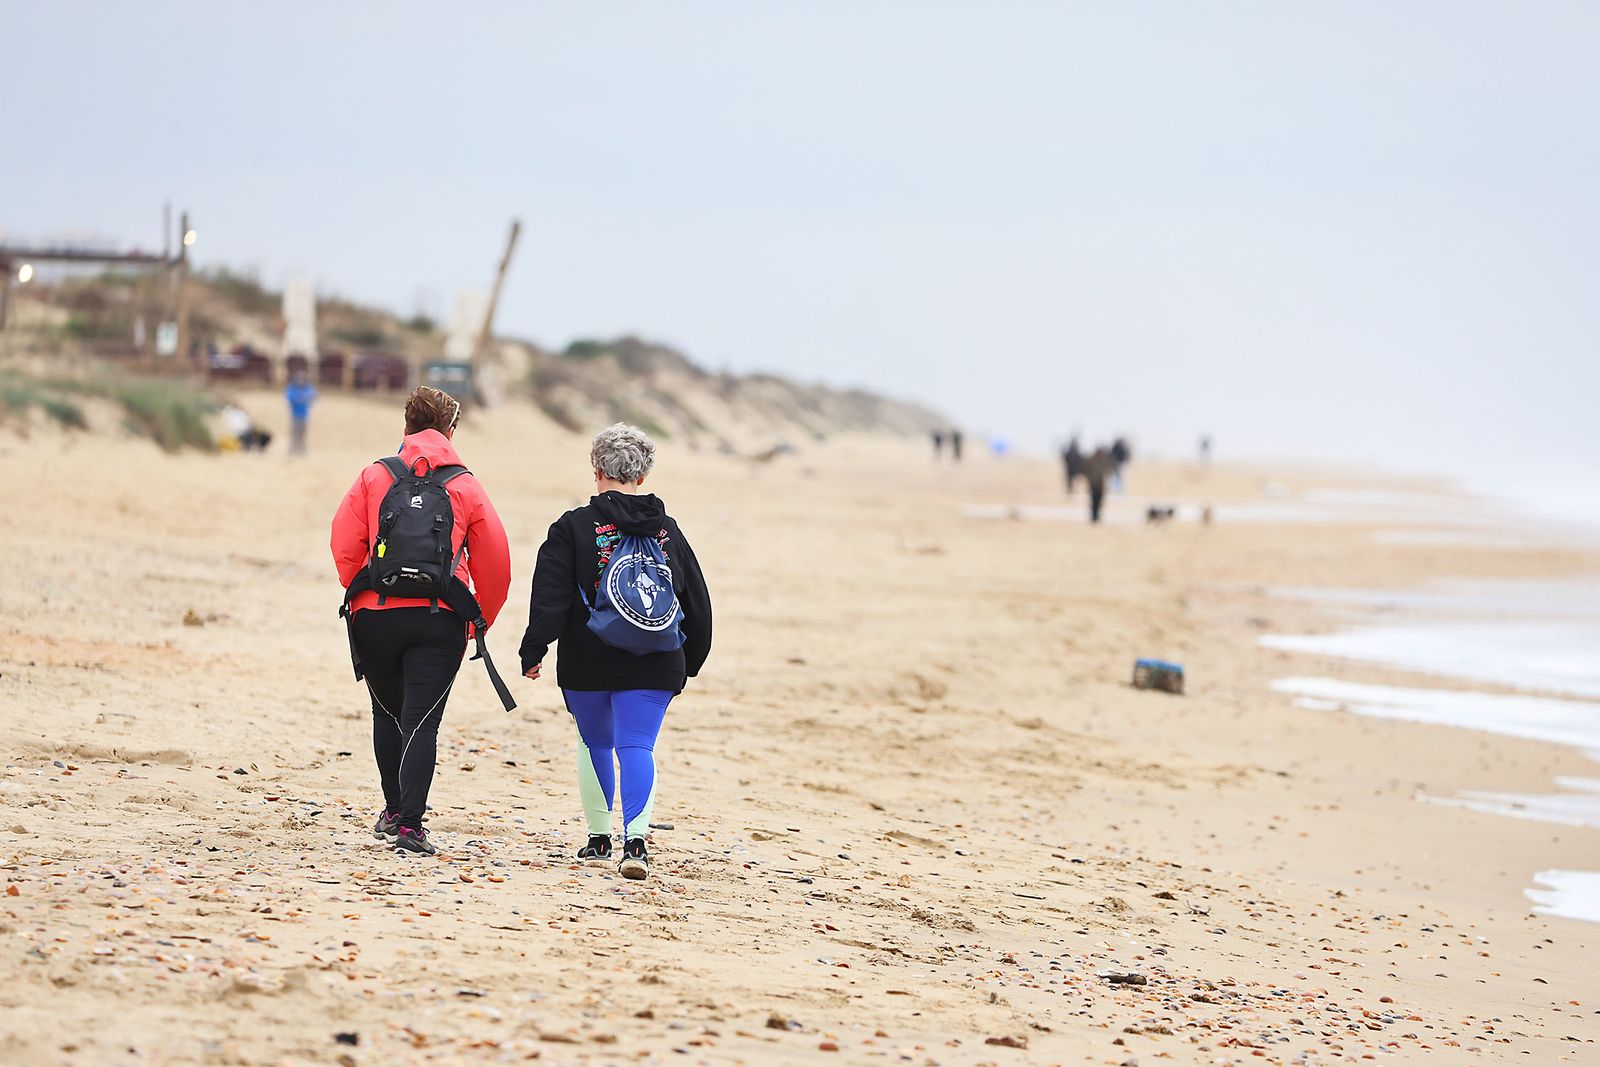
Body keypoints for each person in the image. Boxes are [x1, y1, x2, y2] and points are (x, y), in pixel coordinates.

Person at [519, 423, 712, 881]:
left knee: (596, 743)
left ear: (597, 470)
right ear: (642, 476)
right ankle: (637, 843)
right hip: (658, 659)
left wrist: (534, 648)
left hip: (588, 659)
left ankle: (599, 839)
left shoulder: (571, 527)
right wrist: (691, 660)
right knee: (637, 745)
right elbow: (696, 599)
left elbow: (550, 597)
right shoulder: (668, 530)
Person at [330, 387, 511, 857]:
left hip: (374, 615)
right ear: (451, 430)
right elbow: (496, 562)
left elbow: (344, 542)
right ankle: (410, 826)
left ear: (406, 426)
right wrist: (480, 619)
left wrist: (364, 588)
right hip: (439, 619)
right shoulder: (465, 485)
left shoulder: (376, 475)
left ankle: (393, 811)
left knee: (387, 714)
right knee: (421, 723)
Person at [286, 372, 318, 456]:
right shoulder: (292, 389)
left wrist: (308, 398)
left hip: (304, 416)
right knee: (294, 434)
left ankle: (302, 450)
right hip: (295, 416)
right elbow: (291, 399)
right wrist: (304, 398)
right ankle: (292, 450)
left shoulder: (308, 388)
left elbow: (314, 396)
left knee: (303, 434)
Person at [1084, 446, 1112, 524]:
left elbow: (1108, 470)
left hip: (1100, 484)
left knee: (1099, 501)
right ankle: (1093, 516)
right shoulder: (1091, 460)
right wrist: (1089, 478)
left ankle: (1097, 516)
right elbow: (1086, 470)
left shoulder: (1104, 461)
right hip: (1093, 484)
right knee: (1093, 501)